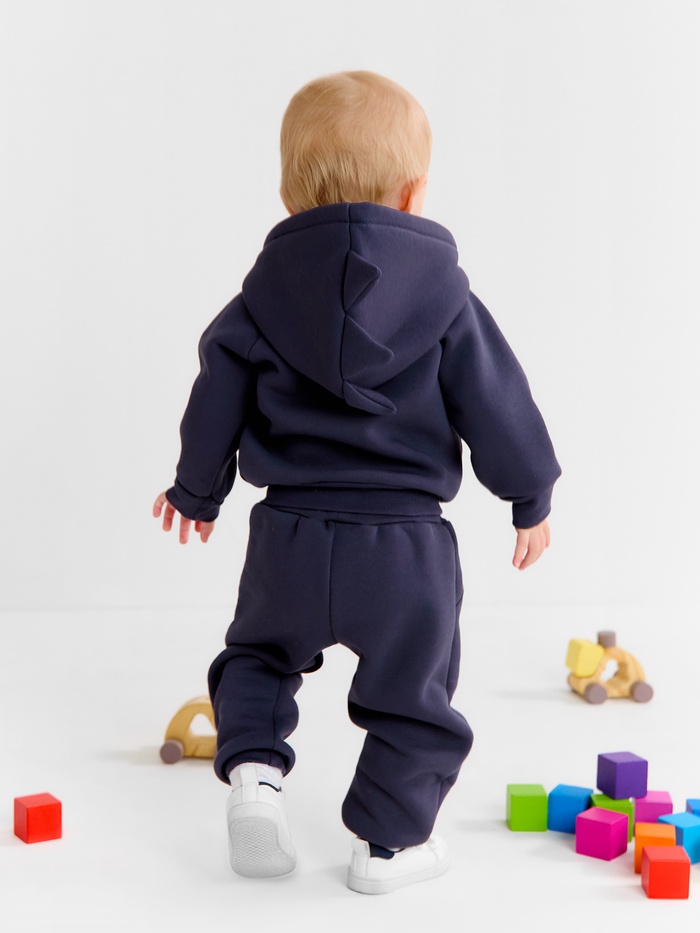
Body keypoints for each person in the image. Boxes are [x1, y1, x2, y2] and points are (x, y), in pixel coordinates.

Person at [153, 70, 561, 895]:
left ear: (287, 194)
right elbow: (497, 398)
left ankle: (255, 772)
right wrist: (530, 494)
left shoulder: (258, 301)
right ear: (414, 192)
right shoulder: (448, 300)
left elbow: (217, 392)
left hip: (289, 535)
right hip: (405, 551)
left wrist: (197, 490)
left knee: (259, 655)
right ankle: (387, 845)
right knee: (414, 696)